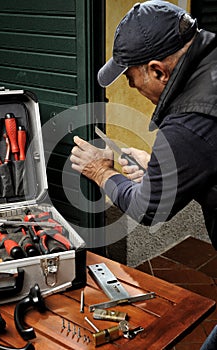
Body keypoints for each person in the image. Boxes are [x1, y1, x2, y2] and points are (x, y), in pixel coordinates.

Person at [70, 1, 217, 249]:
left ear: (158, 72)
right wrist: (164, 165)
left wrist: (101, 171)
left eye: (130, 77)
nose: (131, 87)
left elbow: (148, 209)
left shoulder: (188, 123)